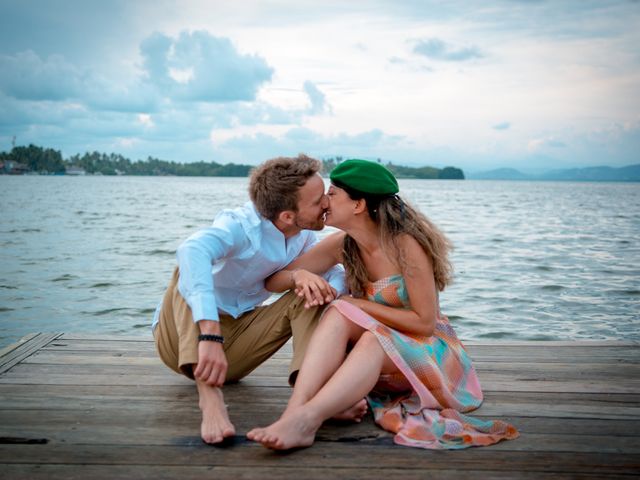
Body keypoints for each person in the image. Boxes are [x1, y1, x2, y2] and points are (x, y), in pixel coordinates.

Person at [247, 159, 519, 450]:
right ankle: (294, 412)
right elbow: (272, 281)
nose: (325, 200)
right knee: (343, 316)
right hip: (379, 351)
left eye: (334, 193)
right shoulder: (343, 244)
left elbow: (424, 324)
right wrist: (299, 276)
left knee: (362, 329)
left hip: (427, 352)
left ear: (358, 205)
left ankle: (307, 421)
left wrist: (358, 305)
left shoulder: (406, 245)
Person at [152, 154, 348, 445]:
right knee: (188, 268)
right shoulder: (240, 226)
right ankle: (209, 396)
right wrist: (210, 335)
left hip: (238, 349)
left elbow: (333, 273)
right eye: (318, 199)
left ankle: (311, 392)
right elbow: (192, 249)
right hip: (183, 342)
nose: (326, 203)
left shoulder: (302, 236)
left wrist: (318, 283)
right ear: (287, 216)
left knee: (311, 293)